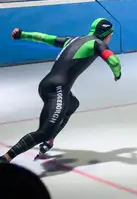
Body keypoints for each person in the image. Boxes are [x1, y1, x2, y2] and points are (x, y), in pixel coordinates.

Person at [1, 18, 122, 163]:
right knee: (44, 132)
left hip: (47, 84)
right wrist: (117, 74)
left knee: (72, 104)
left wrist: (22, 34)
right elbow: (114, 61)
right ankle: (6, 158)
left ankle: (49, 140)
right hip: (58, 89)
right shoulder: (98, 44)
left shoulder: (73, 40)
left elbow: (44, 37)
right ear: (107, 34)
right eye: (111, 35)